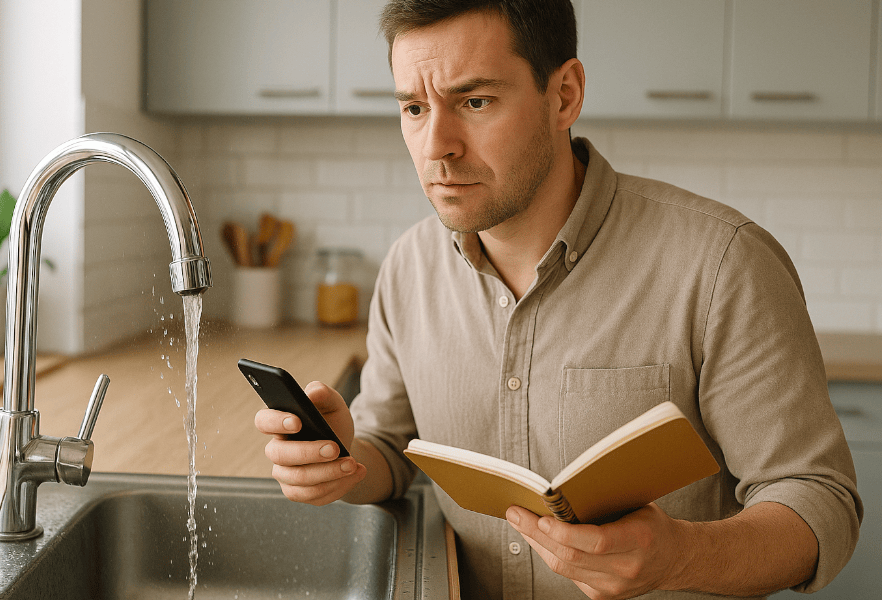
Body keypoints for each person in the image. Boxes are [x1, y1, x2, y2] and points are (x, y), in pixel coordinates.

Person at [255, 1, 862, 598]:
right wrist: (339, 462)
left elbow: (818, 500)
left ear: (564, 95)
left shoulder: (724, 263)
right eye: (414, 107)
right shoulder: (408, 267)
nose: (437, 144)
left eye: (475, 101)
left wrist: (679, 557)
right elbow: (390, 448)